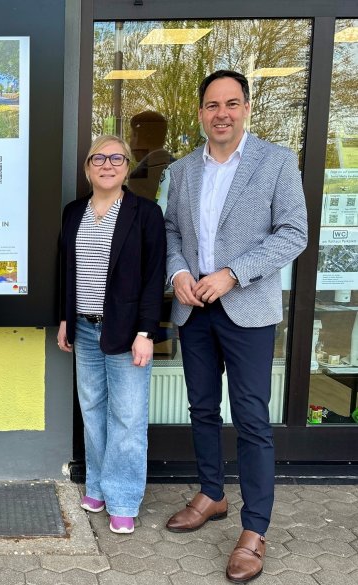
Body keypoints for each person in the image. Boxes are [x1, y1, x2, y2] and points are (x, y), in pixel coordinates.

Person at [164, 70, 307, 583]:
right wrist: (178, 271)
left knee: (250, 418)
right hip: (194, 310)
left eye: (231, 103)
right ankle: (211, 494)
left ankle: (254, 530)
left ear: (247, 107)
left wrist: (232, 274)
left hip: (247, 308)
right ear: (201, 113)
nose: (221, 112)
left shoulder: (276, 162)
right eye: (211, 105)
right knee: (201, 407)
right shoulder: (182, 170)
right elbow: (172, 230)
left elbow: (294, 233)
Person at [58, 134, 166, 534]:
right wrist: (67, 318)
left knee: (128, 416)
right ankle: (98, 486)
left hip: (126, 331)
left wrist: (146, 332)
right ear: (88, 167)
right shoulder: (73, 213)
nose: (107, 164)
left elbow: (154, 277)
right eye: (98, 158)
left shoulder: (145, 213)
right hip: (85, 329)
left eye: (116, 158)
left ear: (127, 167)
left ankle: (123, 498)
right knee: (93, 411)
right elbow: (68, 271)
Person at [128, 110, 176, 201]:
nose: (130, 143)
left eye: (131, 136)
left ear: (137, 137)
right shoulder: (181, 168)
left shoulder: (139, 177)